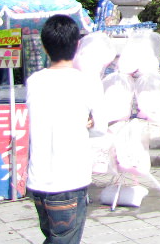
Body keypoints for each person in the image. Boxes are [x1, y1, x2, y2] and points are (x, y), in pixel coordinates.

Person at [27, 14, 104, 244]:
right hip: (69, 179)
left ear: (44, 46)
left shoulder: (34, 81)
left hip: (38, 179)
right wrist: (88, 123)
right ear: (77, 45)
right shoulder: (87, 82)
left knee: (52, 235)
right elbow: (101, 127)